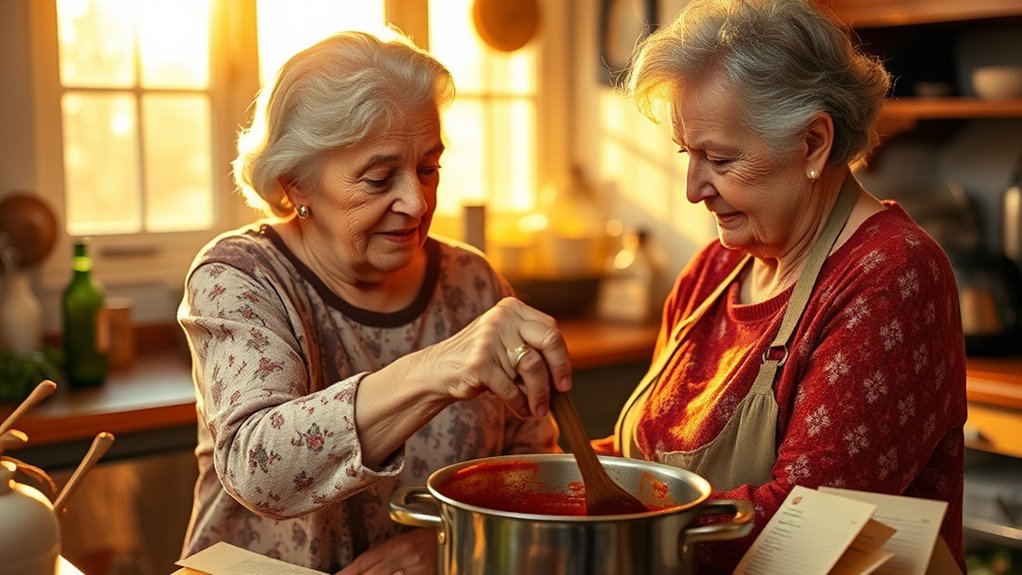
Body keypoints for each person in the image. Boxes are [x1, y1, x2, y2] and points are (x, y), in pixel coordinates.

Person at [177, 30, 571, 574]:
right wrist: (440, 366)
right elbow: (258, 467)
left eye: (428, 168)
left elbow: (533, 470)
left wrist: (452, 542)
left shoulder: (473, 280)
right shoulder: (239, 275)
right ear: (295, 185)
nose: (416, 202)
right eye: (379, 177)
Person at [596, 0, 968, 572]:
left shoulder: (892, 275)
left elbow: (804, 525)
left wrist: (595, 519)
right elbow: (642, 459)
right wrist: (549, 468)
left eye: (719, 159)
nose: (694, 189)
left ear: (814, 143)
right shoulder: (714, 274)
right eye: (687, 155)